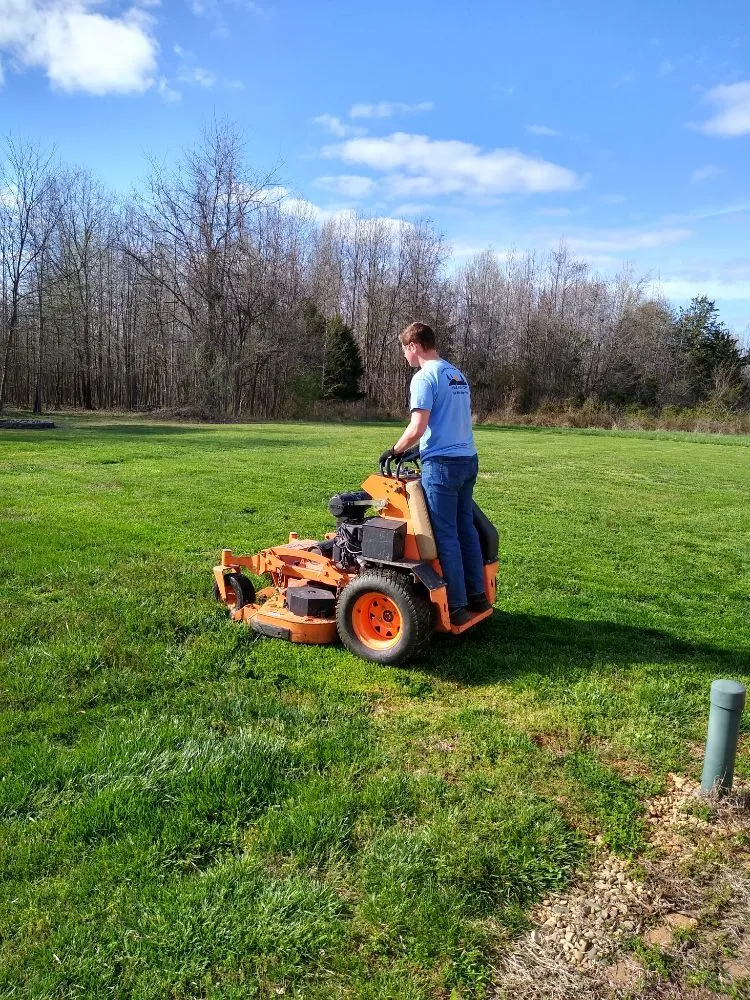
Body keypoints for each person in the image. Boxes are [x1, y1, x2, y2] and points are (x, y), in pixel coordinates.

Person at [379, 321, 491, 626]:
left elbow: (417, 427)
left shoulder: (424, 377)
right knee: (465, 529)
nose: (405, 356)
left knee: (445, 535)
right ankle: (477, 596)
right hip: (467, 460)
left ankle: (456, 606)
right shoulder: (456, 374)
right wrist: (421, 448)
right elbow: (449, 422)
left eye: (404, 350)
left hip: (443, 467)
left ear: (413, 345)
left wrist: (395, 450)